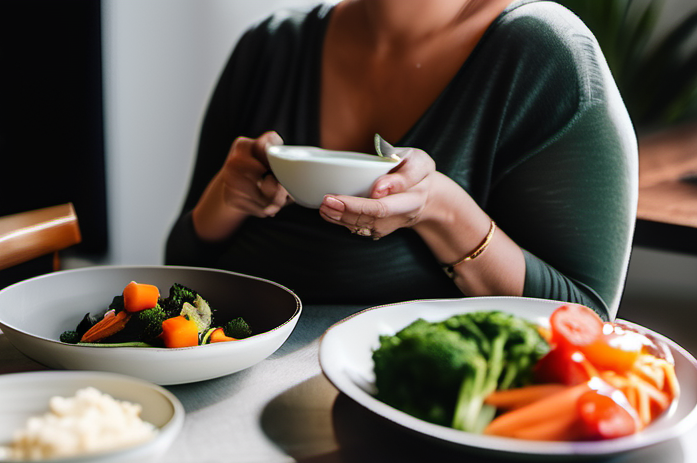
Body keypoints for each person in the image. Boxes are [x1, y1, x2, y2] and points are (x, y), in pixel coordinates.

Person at [165, 0, 637, 320]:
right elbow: (179, 267)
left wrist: (445, 214)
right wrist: (225, 200)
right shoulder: (269, 46)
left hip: (419, 434)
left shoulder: (543, 55)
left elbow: (586, 319)